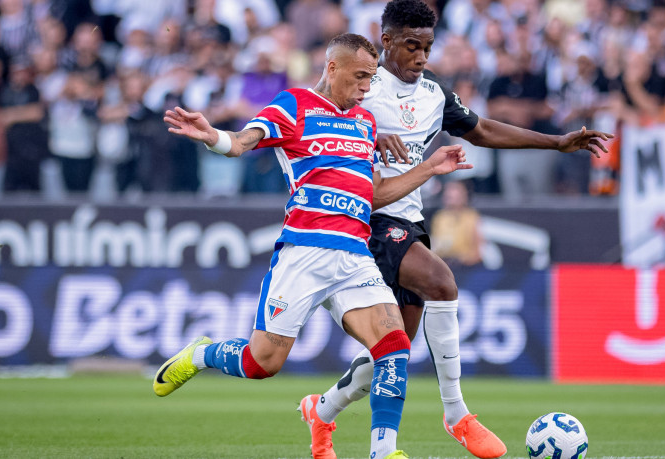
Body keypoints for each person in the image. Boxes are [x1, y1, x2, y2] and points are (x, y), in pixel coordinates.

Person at [301, 2, 614, 459]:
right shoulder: (361, 85)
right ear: (386, 41)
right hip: (364, 218)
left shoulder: (433, 94)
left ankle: (322, 410)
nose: (422, 56)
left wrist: (557, 142)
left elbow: (482, 129)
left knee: (393, 354)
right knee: (442, 283)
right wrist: (364, 134)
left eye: (427, 46)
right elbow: (312, 113)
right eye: (412, 45)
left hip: (409, 219)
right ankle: (456, 414)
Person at [154, 33, 471, 459]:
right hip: (304, 252)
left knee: (394, 345)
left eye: (371, 78)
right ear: (332, 67)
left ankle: (384, 451)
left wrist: (430, 167)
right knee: (261, 363)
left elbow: (373, 193)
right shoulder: (294, 105)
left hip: (355, 255)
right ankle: (202, 353)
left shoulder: (366, 123)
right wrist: (212, 135)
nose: (365, 87)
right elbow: (241, 143)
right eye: (360, 76)